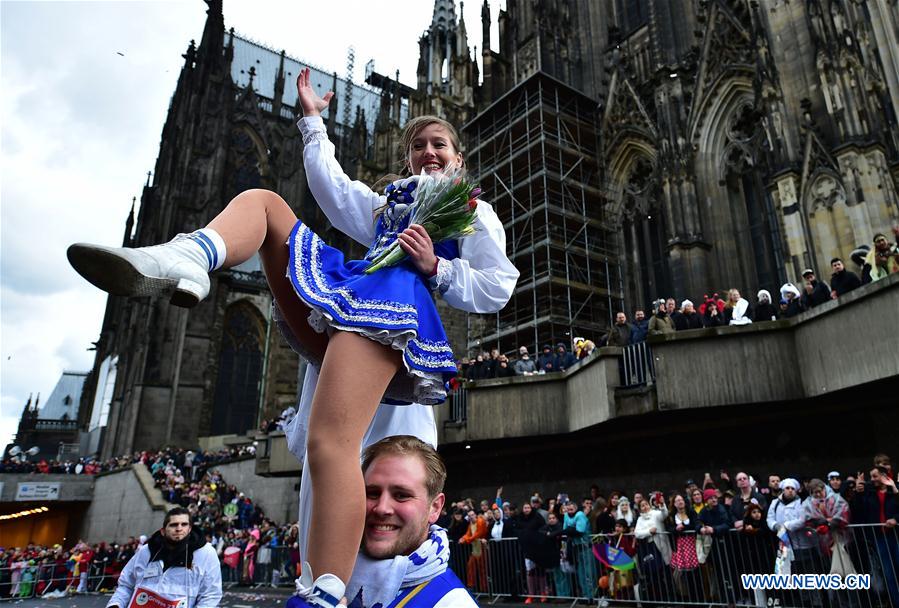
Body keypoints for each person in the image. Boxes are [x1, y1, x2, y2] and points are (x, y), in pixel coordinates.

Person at [70, 69, 517, 608]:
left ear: (458, 158)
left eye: (438, 144)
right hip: (347, 303)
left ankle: (326, 588)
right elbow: (331, 190)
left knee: (331, 443)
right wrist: (312, 121)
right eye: (418, 144)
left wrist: (436, 269)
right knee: (264, 203)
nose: (427, 151)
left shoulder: (473, 211)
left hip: (392, 314)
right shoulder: (386, 204)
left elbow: (497, 288)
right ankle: (188, 257)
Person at [107, 507, 222, 608]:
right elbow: (126, 585)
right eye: (173, 525)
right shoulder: (146, 551)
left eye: (184, 524)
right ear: (162, 531)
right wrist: (115, 604)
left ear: (190, 528)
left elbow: (211, 596)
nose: (179, 529)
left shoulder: (206, 553)